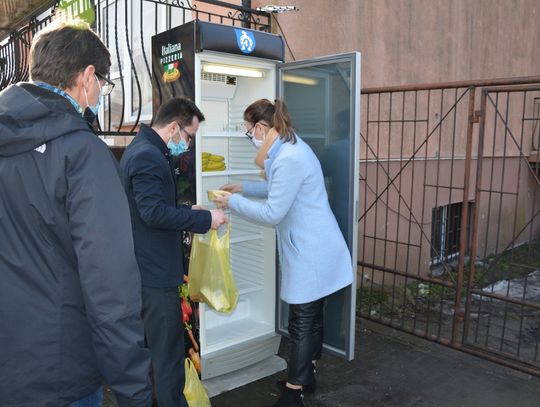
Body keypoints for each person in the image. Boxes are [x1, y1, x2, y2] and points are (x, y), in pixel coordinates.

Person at [0, 20, 152, 407]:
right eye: (103, 81)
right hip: (60, 371)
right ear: (86, 77)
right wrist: (134, 391)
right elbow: (111, 289)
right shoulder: (83, 154)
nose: (101, 91)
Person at [213, 99, 353, 407]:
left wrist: (230, 203)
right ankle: (307, 376)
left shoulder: (288, 157)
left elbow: (273, 212)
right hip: (316, 245)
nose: (249, 135)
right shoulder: (289, 148)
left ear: (262, 128)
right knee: (312, 317)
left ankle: (293, 393)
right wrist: (242, 188)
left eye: (249, 130)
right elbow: (279, 188)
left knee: (302, 321)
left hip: (312, 251)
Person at [120, 97, 228, 407]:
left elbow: (147, 208)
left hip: (145, 268)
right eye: (189, 136)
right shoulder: (149, 156)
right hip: (154, 274)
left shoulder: (141, 149)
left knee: (156, 355)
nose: (189, 143)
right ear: (173, 127)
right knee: (167, 359)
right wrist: (204, 219)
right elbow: (153, 214)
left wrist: (185, 209)